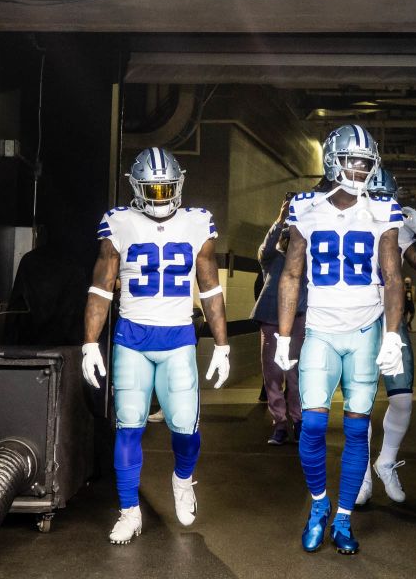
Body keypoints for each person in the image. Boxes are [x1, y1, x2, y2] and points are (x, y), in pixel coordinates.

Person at [80, 147, 231, 545]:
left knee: (185, 428)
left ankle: (182, 480)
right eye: (154, 190)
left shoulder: (198, 222)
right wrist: (89, 344)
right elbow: (102, 286)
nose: (161, 198)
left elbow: (210, 285)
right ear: (137, 188)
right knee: (127, 427)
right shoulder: (119, 222)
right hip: (132, 337)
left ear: (178, 185)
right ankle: (130, 511)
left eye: (167, 190)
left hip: (178, 337)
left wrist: (222, 344)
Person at [275, 125, 405, 555]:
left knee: (356, 429)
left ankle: (345, 518)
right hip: (321, 331)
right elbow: (292, 273)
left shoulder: (383, 208)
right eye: (353, 160)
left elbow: (392, 276)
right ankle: (319, 505)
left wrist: (391, 335)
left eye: (366, 162)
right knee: (311, 425)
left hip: (366, 330)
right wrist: (283, 336)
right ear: (333, 160)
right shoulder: (305, 207)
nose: (360, 168)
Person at [355, 167, 416, 505]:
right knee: (358, 405)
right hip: (357, 317)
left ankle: (385, 462)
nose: (378, 201)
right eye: (372, 195)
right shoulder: (348, 220)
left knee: (402, 400)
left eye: (383, 195)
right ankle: (360, 473)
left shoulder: (396, 226)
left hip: (390, 319)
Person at [252, 192, 307, 445]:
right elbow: (266, 247)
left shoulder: (306, 255)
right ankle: (280, 423)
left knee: (295, 372)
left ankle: (298, 420)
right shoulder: (272, 258)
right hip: (271, 318)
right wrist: (282, 216)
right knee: (272, 373)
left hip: (298, 318)